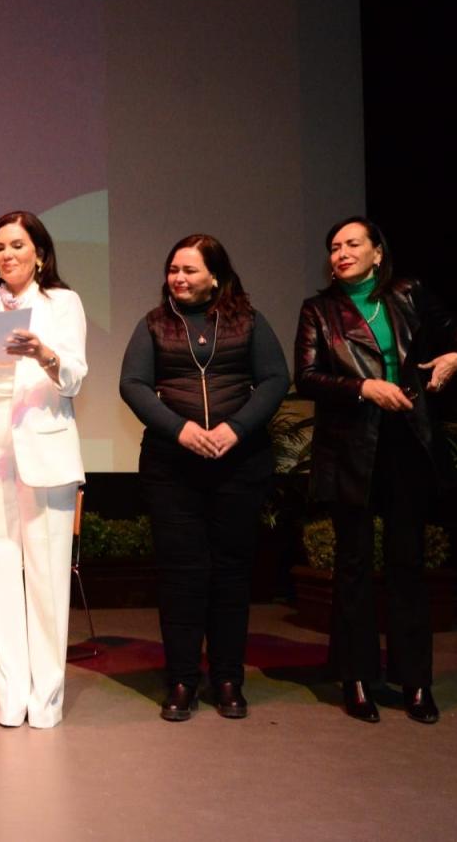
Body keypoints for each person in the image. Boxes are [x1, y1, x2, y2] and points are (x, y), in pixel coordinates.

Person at [295, 216, 457, 724]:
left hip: (407, 442)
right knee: (353, 566)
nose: (341, 252)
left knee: (407, 565)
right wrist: (363, 388)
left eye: (352, 243)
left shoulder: (408, 293)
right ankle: (356, 678)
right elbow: (306, 376)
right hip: (350, 448)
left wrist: (455, 356)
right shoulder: (319, 309)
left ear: (377, 252)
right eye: (334, 246)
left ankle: (415, 682)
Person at [120, 234, 288, 721]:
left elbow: (275, 379)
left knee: (231, 574)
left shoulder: (248, 321)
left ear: (215, 276)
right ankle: (182, 680)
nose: (178, 277)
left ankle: (228, 679)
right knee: (181, 577)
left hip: (240, 465)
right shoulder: (154, 324)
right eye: (173, 269)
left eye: (189, 270)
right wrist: (181, 430)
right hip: (172, 468)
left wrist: (236, 429)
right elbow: (132, 384)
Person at [0, 211, 87, 729]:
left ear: (40, 254)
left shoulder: (61, 303)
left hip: (44, 450)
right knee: (0, 579)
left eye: (17, 245)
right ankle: (10, 699)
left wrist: (43, 353)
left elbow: (74, 377)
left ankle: (45, 700)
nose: (7, 255)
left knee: (47, 580)